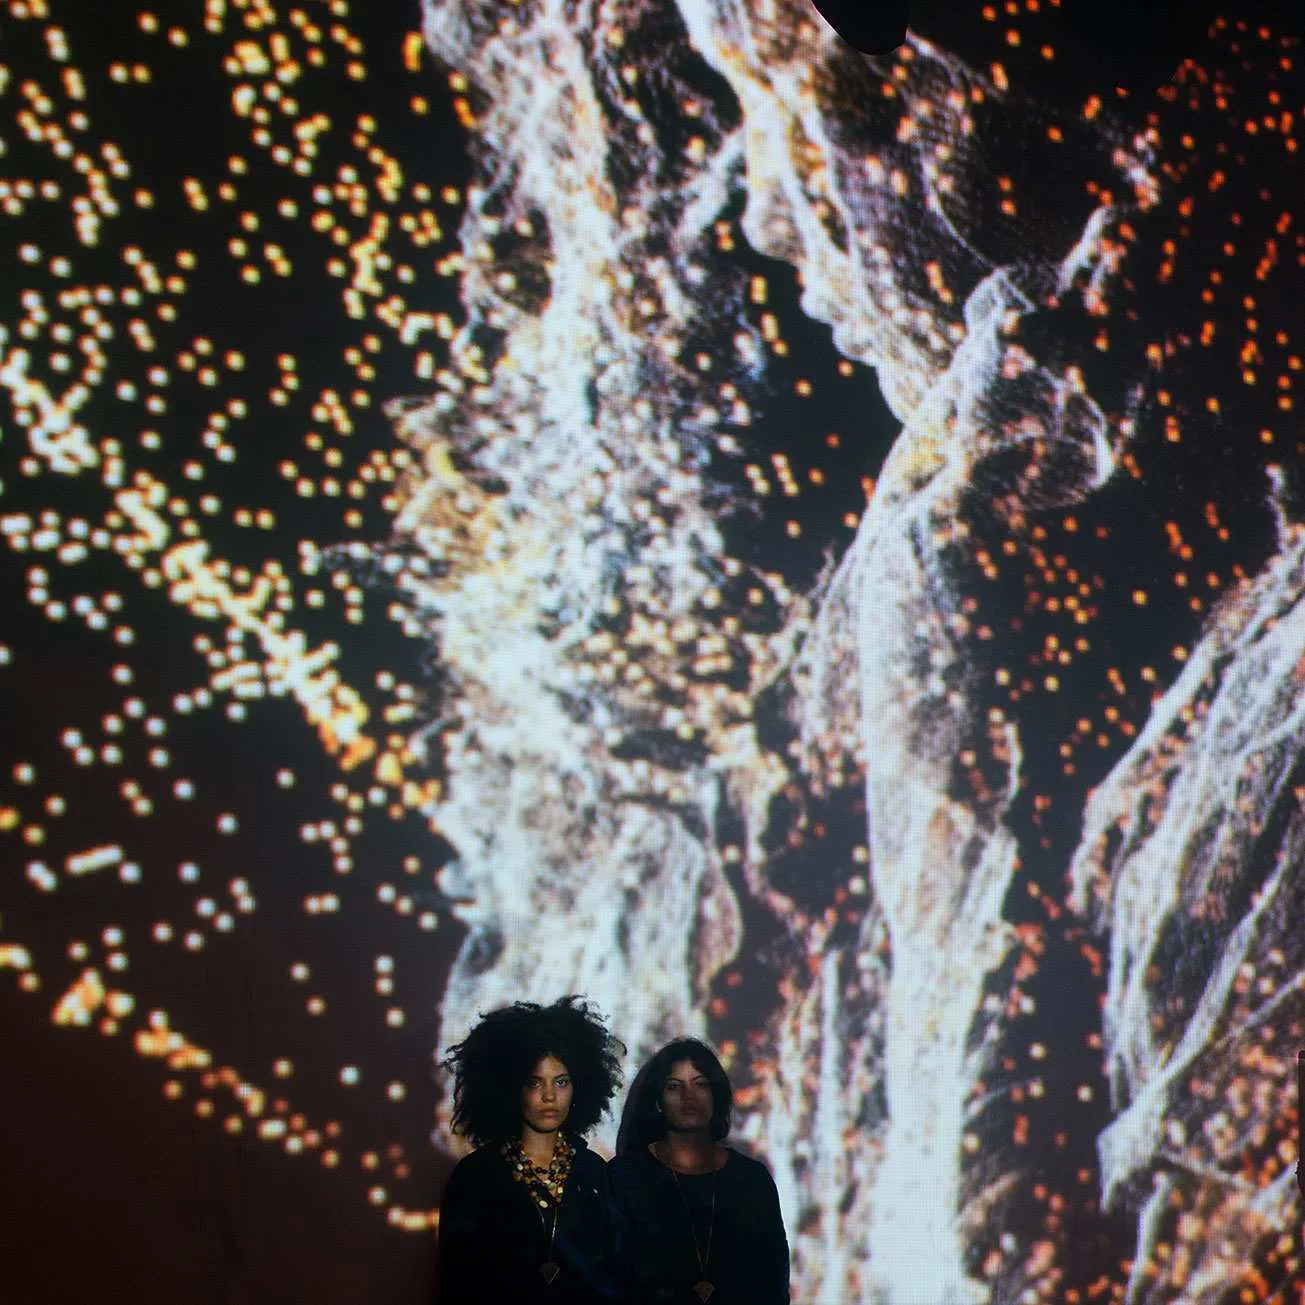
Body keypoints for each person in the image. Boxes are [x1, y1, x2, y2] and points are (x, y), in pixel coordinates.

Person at [436, 996, 626, 1303]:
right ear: (510, 1087)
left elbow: (615, 1277)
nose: (549, 1096)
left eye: (561, 1082)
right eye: (534, 1083)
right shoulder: (476, 1177)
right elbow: (457, 1283)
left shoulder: (595, 1173)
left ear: (580, 1086)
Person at [610, 1038, 789, 1304]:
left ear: (716, 1096)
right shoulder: (626, 1176)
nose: (688, 1096)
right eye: (674, 1086)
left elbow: (774, 1283)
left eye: (700, 1084)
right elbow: (610, 1279)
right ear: (658, 1101)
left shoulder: (752, 1180)